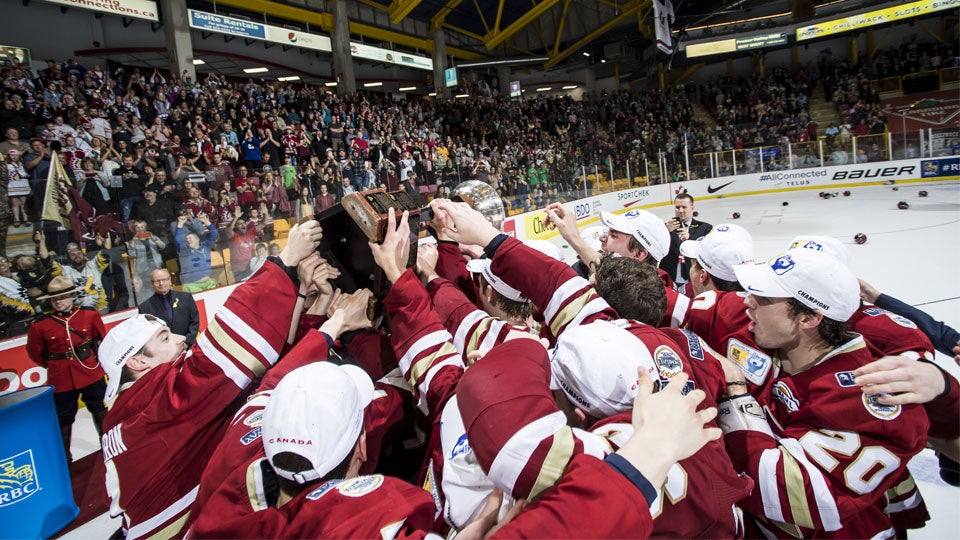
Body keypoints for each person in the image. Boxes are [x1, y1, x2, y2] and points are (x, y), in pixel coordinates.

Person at [96, 220, 324, 540]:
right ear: (136, 362)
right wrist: (283, 261)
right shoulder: (148, 404)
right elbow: (209, 367)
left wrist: (306, 300)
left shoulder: (127, 408)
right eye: (163, 338)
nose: (179, 339)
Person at [717, 249, 929, 537]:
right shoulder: (764, 339)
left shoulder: (871, 399)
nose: (747, 302)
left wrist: (735, 396)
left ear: (808, 318)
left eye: (763, 298)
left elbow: (790, 495)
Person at [26, 275, 108, 461]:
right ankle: (65, 459)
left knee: (99, 409)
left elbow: (102, 340)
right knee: (64, 419)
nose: (58, 302)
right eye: (54, 298)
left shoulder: (89, 315)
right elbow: (35, 353)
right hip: (61, 378)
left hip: (89, 371)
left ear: (72, 296)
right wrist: (55, 365)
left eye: (62, 297)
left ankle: (108, 447)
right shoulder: (40, 325)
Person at [660, 193, 712, 287]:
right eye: (677, 207)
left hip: (695, 279)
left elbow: (708, 252)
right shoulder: (665, 227)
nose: (680, 211)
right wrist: (665, 231)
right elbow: (656, 248)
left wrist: (690, 239)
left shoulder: (705, 228)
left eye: (684, 207)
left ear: (692, 208)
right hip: (670, 278)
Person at [138, 268, 200, 346]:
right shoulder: (144, 308)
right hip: (164, 352)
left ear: (170, 280)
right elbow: (148, 334)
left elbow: (194, 321)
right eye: (157, 281)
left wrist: (186, 343)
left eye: (164, 279)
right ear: (152, 283)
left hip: (188, 346)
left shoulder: (186, 297)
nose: (161, 283)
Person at [174, 213, 219, 292]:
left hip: (208, 283)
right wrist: (180, 224)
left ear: (198, 238)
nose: (188, 240)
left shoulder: (206, 246)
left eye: (190, 238)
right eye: (186, 239)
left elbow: (214, 234)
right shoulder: (184, 250)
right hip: (191, 286)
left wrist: (206, 221)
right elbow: (178, 239)